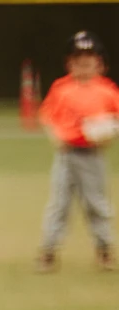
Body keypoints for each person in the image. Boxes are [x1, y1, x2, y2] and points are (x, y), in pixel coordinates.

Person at [36, 30, 119, 273]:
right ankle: (48, 252)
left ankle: (104, 251)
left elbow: (115, 118)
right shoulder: (61, 88)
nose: (83, 62)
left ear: (100, 63)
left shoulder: (107, 90)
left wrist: (108, 132)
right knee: (59, 204)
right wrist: (55, 136)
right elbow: (47, 116)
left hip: (93, 156)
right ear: (69, 63)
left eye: (89, 57)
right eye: (77, 57)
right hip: (67, 155)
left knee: (97, 204)